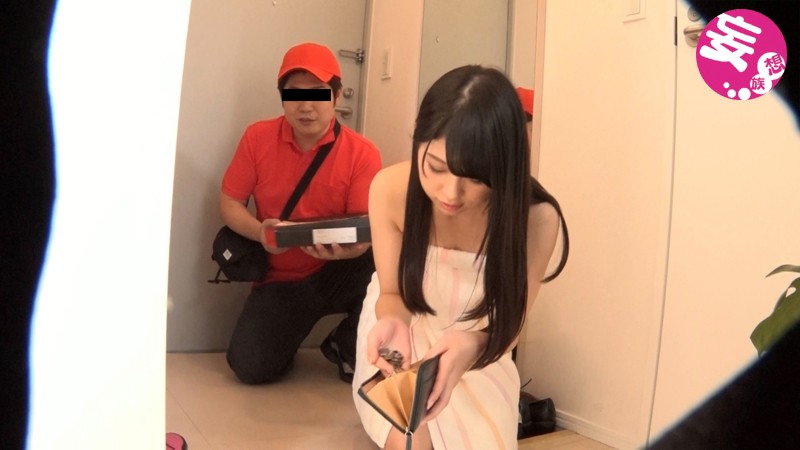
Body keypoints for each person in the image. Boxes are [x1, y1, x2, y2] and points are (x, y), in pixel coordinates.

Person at [352, 65, 569, 449]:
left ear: (506, 165)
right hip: (406, 329)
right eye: (436, 167)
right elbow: (392, 294)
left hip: (480, 348)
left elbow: (512, 321)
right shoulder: (391, 189)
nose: (450, 193)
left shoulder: (536, 219)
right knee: (410, 438)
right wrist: (393, 323)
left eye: (476, 177)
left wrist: (477, 345)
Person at [220, 42, 382, 384]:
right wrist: (261, 233)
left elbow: (364, 232)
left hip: (338, 270)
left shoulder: (362, 153)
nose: (306, 106)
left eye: (318, 93)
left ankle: (345, 343)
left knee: (396, 259)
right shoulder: (257, 138)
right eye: (294, 94)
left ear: (337, 95)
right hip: (280, 279)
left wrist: (347, 252)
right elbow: (229, 203)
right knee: (249, 368)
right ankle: (287, 337)